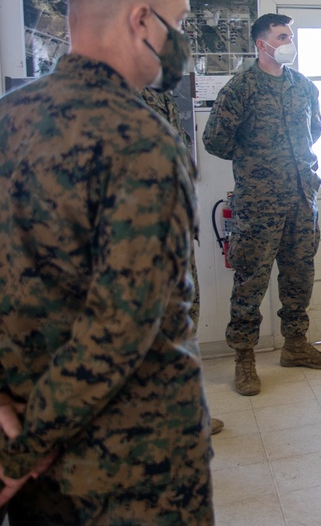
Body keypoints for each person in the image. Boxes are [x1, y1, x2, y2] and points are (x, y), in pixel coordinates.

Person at [0, 0, 213, 524]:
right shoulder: (141, 142)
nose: (182, 42)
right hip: (133, 472)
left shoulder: (7, 118)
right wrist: (21, 451)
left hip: (38, 477)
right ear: (141, 19)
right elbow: (119, 329)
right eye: (180, 23)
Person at [203, 13, 321, 397]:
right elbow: (215, 140)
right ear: (262, 44)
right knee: (250, 281)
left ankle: (295, 346)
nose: (288, 41)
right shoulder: (240, 88)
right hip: (258, 204)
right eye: (281, 36)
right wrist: (256, 161)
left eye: (289, 35)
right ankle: (244, 359)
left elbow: (314, 132)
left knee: (299, 276)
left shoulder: (304, 87)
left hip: (300, 199)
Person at [140, 88, 225, 436]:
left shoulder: (161, 92)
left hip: (174, 230)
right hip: (136, 239)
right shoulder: (103, 94)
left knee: (183, 320)